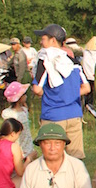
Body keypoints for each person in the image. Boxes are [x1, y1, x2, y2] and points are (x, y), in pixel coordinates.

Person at [32, 24, 91, 159]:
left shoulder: (45, 61)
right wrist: (69, 95)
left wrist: (51, 95)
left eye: (44, 38)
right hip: (73, 115)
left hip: (52, 115)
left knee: (53, 157)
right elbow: (86, 88)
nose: (41, 42)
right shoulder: (73, 62)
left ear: (53, 40)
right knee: (75, 156)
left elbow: (37, 89)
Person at [2, 82, 36, 161]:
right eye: (24, 94)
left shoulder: (24, 110)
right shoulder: (9, 113)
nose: (26, 96)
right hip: (17, 142)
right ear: (20, 98)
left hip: (26, 141)